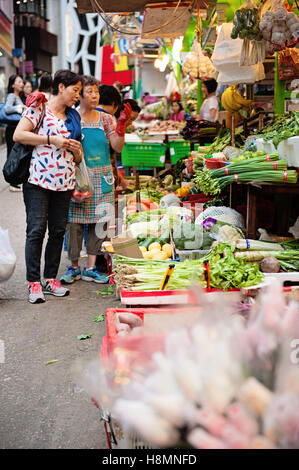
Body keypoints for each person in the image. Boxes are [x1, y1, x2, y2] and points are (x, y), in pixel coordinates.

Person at [13, 69, 83, 304]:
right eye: (75, 91)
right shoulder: (40, 107)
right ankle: (33, 282)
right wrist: (50, 140)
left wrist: (76, 151)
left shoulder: (74, 117)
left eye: (79, 92)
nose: (77, 96)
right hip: (38, 181)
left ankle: (50, 278)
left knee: (58, 231)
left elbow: (79, 158)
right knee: (36, 230)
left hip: (64, 182)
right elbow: (19, 134)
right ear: (61, 87)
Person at [60, 75, 132, 285]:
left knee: (99, 221)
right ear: (79, 95)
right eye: (89, 92)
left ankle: (91, 267)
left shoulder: (105, 119)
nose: (94, 96)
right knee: (72, 222)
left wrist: (121, 125)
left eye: (96, 92)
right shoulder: (71, 118)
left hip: (103, 177)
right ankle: (73, 266)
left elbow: (117, 146)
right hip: (78, 176)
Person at [4, 75, 26, 191]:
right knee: (13, 154)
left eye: (22, 81)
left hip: (15, 128)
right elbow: (7, 109)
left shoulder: (18, 96)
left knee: (16, 153)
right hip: (12, 129)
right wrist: (20, 107)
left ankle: (14, 180)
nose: (21, 84)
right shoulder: (12, 96)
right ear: (13, 85)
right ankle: (12, 182)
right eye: (19, 81)